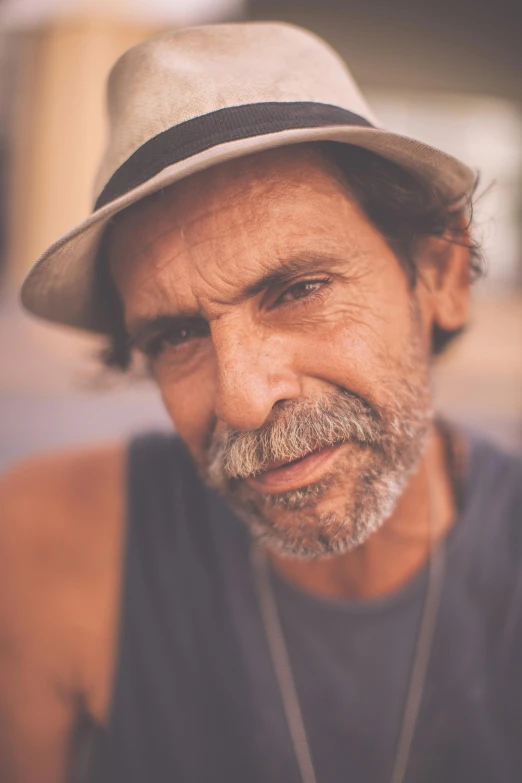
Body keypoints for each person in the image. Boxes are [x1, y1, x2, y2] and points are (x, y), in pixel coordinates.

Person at [0, 21, 521, 783]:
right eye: (179, 333)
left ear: (440, 274)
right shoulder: (45, 546)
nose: (244, 400)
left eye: (300, 289)